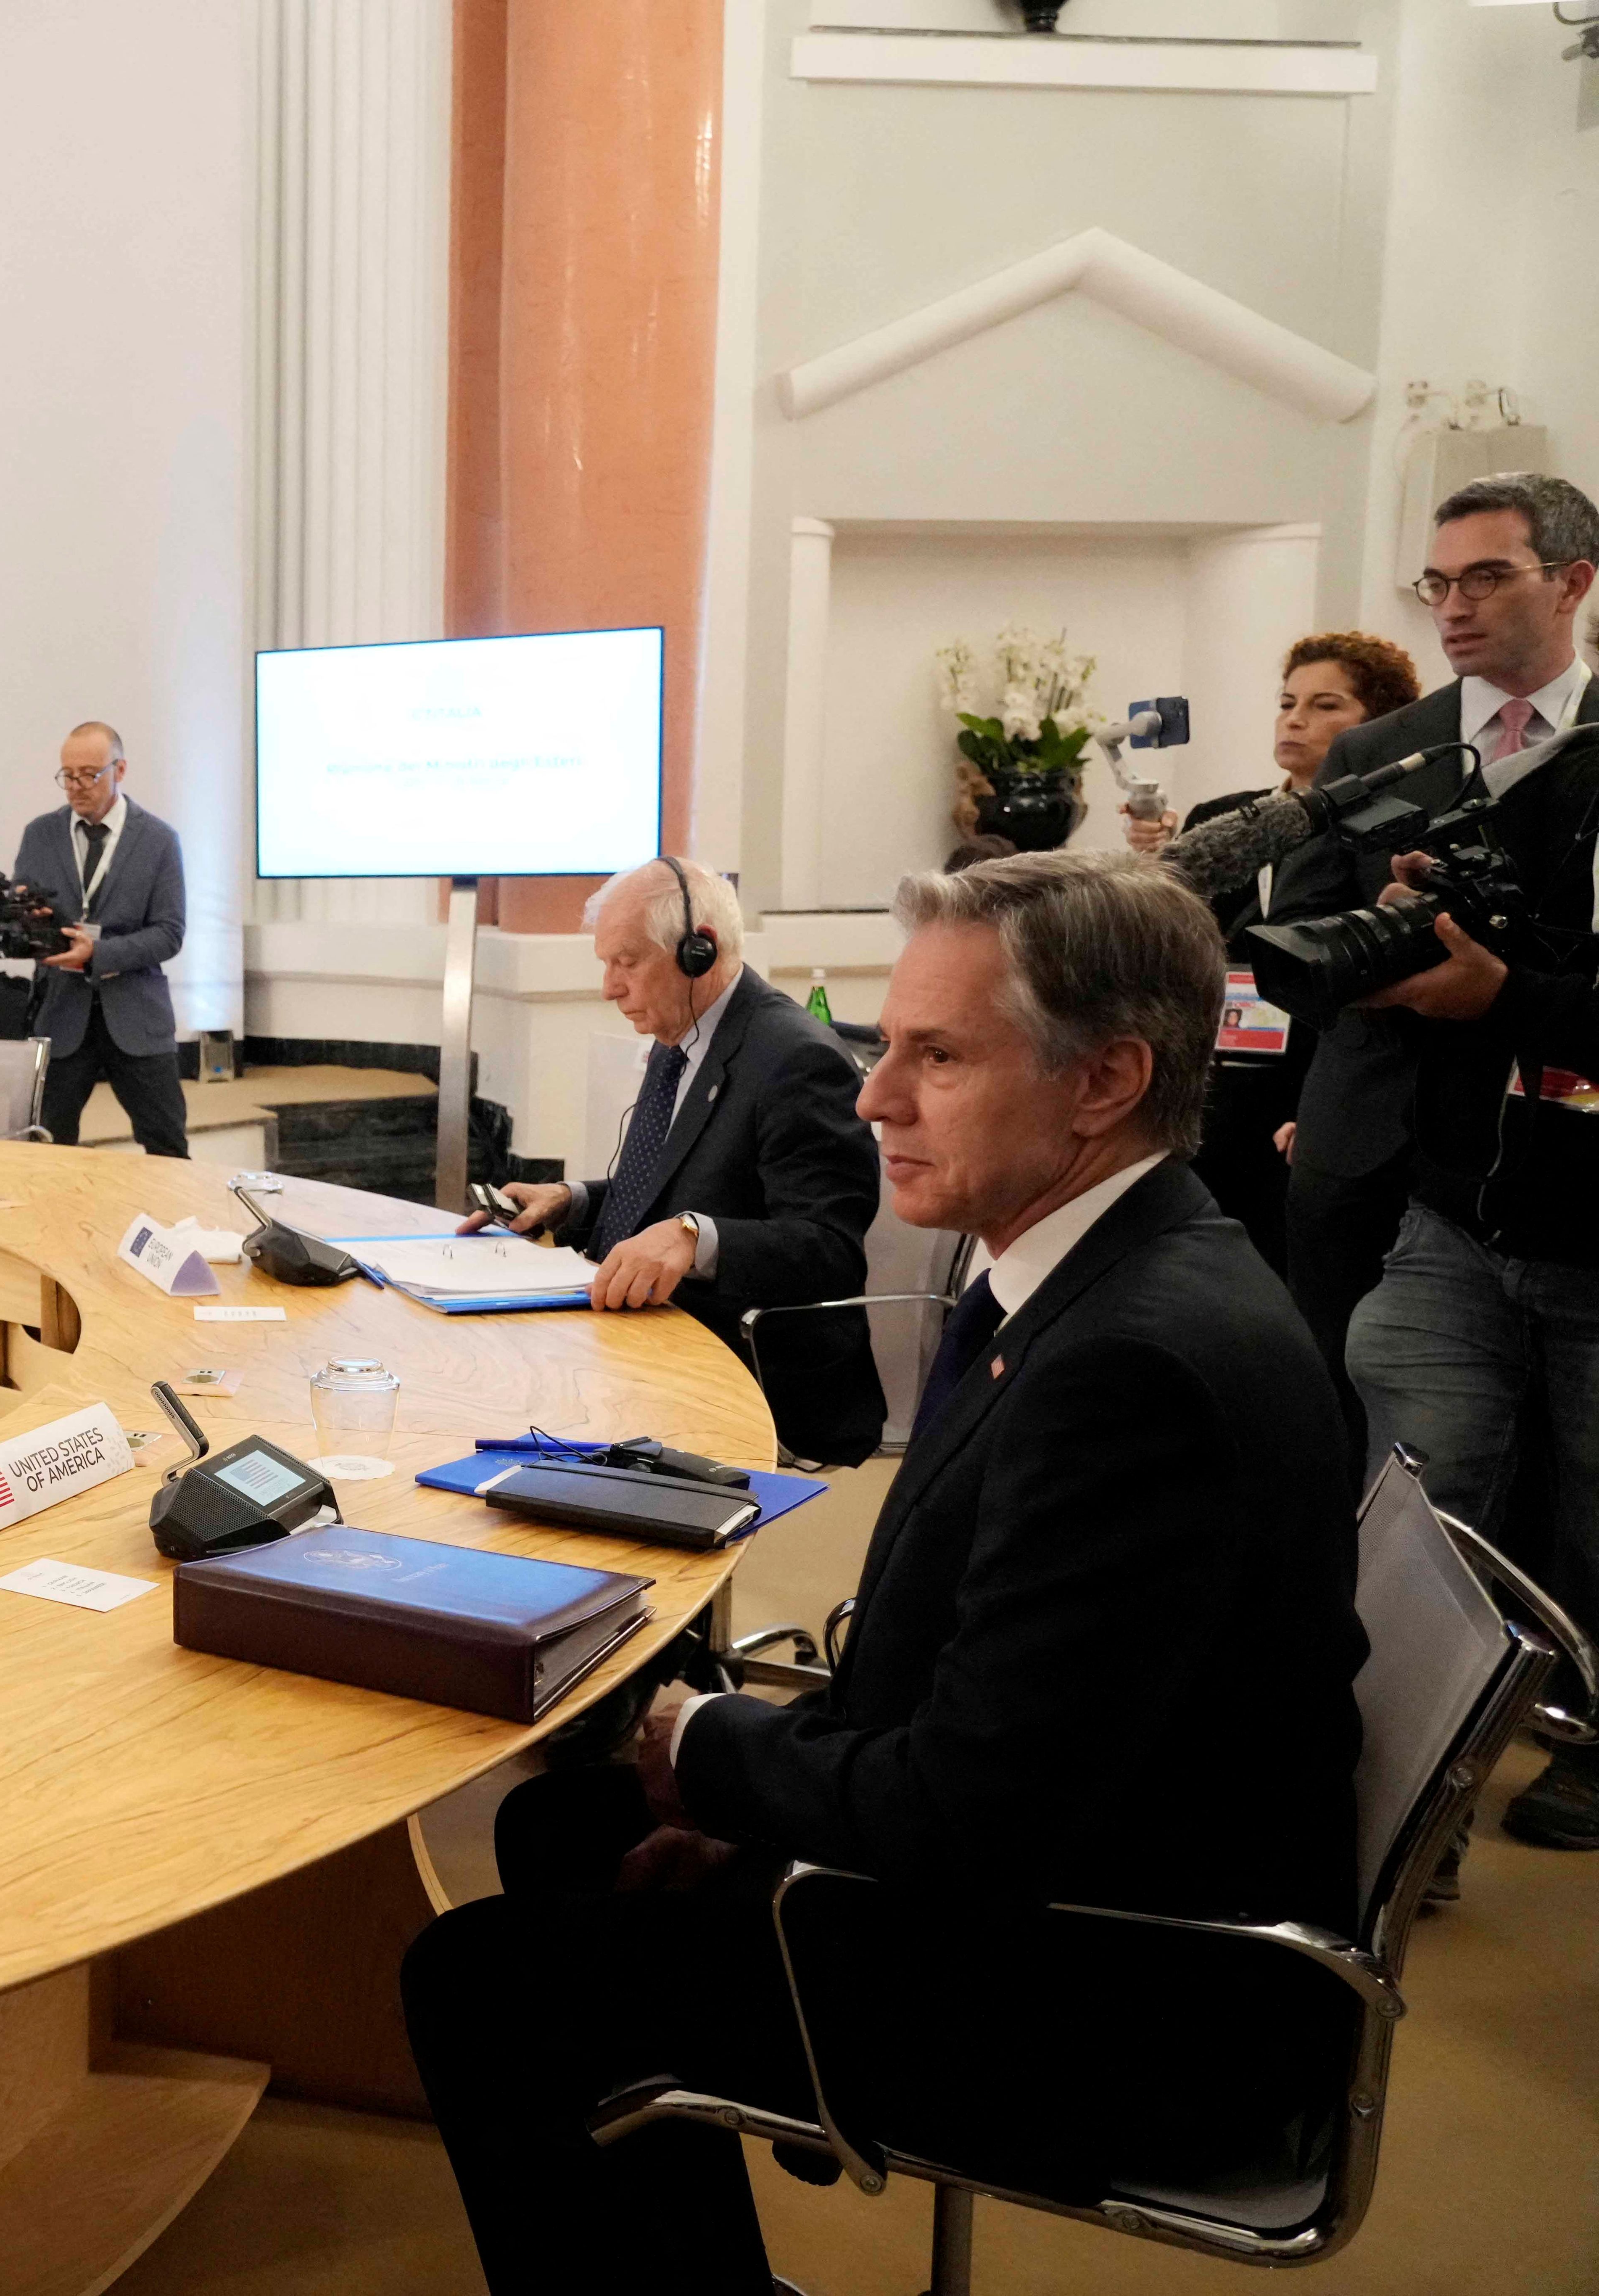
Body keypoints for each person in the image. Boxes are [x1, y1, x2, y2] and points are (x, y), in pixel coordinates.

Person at [403, 853, 1362, 2295]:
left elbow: (966, 1810)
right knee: (567, 1838)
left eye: (937, 1057)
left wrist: (712, 1750)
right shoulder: (1106, 1274)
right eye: (884, 1049)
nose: (871, 1098)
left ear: (1103, 1081)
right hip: (1075, 1871)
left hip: (1119, 1995)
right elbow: (989, 1716)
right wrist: (743, 1786)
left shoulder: (1129, 1370)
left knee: (477, 1982)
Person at [1338, 626, 1599, 1852]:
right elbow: (1495, 944)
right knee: (1418, 1511)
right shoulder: (1552, 777)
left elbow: (1531, 985)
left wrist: (1506, 997)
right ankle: (1399, 1811)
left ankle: (1589, 1745)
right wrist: (1417, 915)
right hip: (1457, 1210)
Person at [1281, 478, 1596, 1414]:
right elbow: (1293, 948)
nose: (1452, 608)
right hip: (1366, 1144)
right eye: (1438, 583)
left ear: (1572, 582)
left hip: (1556, 1169)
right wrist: (1376, 935)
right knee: (1343, 1437)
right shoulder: (1372, 751)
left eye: (1485, 579)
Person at [458, 858, 886, 1466]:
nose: (610, 987)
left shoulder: (796, 1060)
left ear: (698, 952)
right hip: (650, 1334)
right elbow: (678, 1188)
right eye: (606, 964)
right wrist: (573, 1200)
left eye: (627, 963)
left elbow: (831, 1251)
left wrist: (695, 1238)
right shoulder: (683, 1035)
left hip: (749, 1369)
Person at [1123, 632, 1423, 1270]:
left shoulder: (1387, 835)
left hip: (1319, 1089)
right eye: (1288, 702)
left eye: (1326, 705)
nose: (1296, 719)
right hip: (1214, 1084)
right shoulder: (1224, 820)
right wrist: (1148, 864)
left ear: (1379, 724)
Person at [12, 722, 189, 1155]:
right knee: (45, 1147)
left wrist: (99, 954)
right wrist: (28, 926)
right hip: (61, 1014)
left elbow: (169, 934)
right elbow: (21, 918)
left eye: (89, 774)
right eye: (67, 775)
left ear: (120, 770)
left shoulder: (158, 840)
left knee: (166, 1145)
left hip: (136, 1017)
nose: (76, 787)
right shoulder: (40, 834)